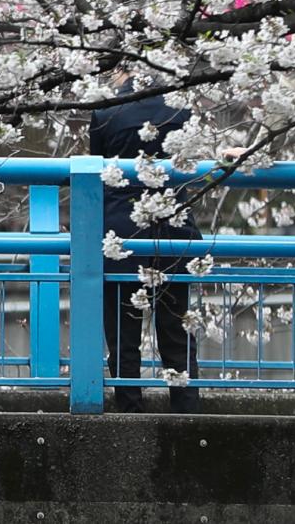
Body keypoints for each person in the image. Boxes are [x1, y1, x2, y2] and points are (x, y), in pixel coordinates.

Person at [88, 89, 200, 412]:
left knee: (123, 338)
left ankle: (130, 413)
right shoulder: (181, 109)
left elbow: (97, 173)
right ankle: (188, 414)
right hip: (172, 230)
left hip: (120, 233)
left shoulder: (105, 111)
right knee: (177, 335)